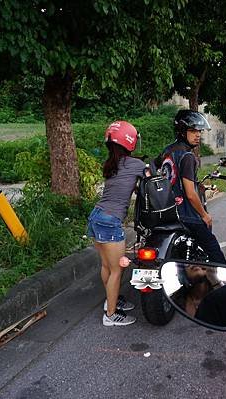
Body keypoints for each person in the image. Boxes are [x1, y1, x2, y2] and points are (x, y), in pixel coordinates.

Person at [87, 121, 145, 326]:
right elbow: (152, 182)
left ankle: (110, 302)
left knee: (107, 266)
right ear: (129, 142)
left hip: (96, 217)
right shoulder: (137, 164)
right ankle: (111, 315)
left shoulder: (110, 164)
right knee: (117, 270)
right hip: (110, 222)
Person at [156, 110, 226, 264]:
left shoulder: (166, 152)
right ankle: (223, 285)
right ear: (182, 132)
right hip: (186, 214)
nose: (198, 135)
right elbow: (190, 194)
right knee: (214, 251)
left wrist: (198, 184)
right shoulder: (187, 156)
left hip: (167, 211)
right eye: (193, 131)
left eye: (199, 131)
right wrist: (204, 215)